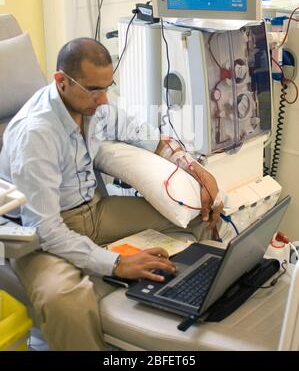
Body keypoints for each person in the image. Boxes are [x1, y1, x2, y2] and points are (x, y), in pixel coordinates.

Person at [0, 38, 223, 351]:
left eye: (108, 87)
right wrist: (116, 264)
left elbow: (153, 140)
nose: (104, 99)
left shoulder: (95, 108)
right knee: (65, 299)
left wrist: (198, 173)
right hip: (38, 236)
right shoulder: (35, 134)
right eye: (94, 89)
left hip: (93, 210)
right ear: (61, 82)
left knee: (192, 219)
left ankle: (179, 307)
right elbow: (46, 230)